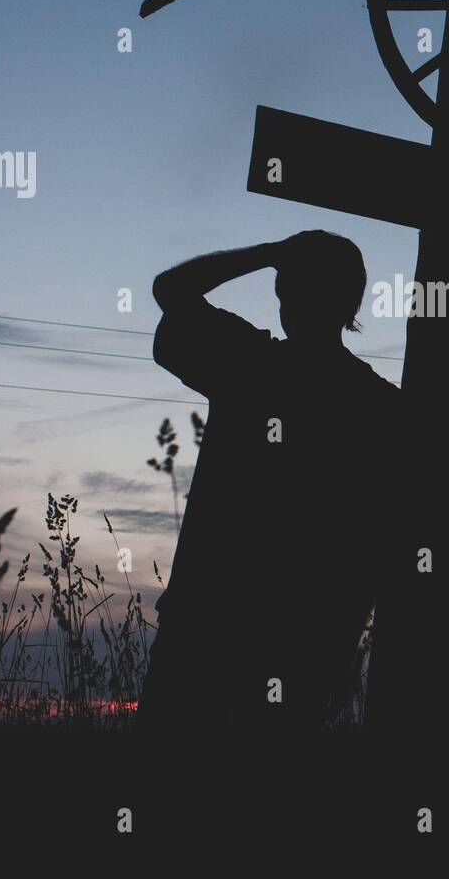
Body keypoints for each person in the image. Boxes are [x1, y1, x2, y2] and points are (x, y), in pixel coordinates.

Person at [137, 231, 404, 739]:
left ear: (286, 297)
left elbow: (171, 289)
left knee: (167, 793)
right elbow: (375, 543)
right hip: (305, 645)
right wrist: (346, 644)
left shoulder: (246, 363)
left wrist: (267, 253)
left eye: (285, 285)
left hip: (203, 631)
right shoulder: (381, 408)